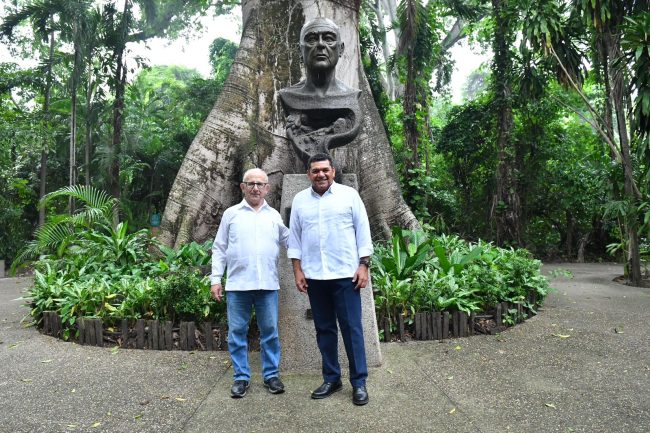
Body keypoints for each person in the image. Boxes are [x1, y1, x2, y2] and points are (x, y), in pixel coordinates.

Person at [287, 153, 373, 406]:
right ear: (308, 174)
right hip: (315, 278)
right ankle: (332, 378)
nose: (321, 174)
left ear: (333, 171)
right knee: (324, 330)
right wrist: (297, 271)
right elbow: (295, 239)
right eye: (315, 171)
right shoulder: (300, 201)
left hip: (346, 277)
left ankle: (359, 383)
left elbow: (363, 231)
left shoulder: (349, 196)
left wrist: (364, 265)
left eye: (325, 170)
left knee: (352, 329)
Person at [210, 168, 289, 398]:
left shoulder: (274, 215)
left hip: (267, 286)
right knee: (237, 333)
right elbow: (220, 248)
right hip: (237, 286)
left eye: (260, 184)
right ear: (243, 187)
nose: (255, 188)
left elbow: (289, 239)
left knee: (270, 333)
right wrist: (216, 279)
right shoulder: (231, 214)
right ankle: (241, 378)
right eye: (250, 183)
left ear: (267, 188)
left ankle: (271, 375)